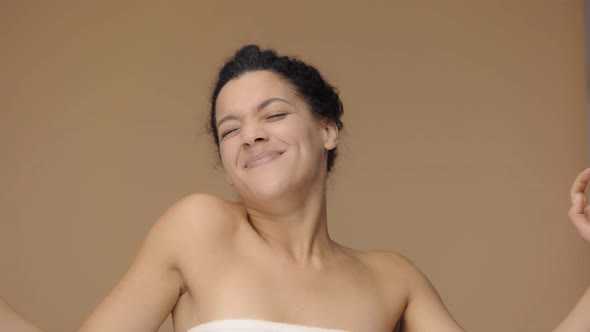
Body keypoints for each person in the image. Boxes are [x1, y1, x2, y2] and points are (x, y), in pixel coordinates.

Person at [2, 45, 590, 332]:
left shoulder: (394, 278)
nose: (250, 135)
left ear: (328, 128)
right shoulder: (198, 228)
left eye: (273, 114)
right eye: (229, 129)